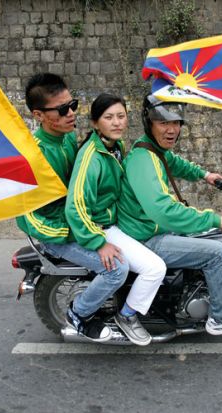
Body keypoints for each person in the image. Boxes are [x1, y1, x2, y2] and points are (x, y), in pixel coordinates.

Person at [116, 94, 222, 335]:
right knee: (217, 252)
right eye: (163, 123)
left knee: (208, 236)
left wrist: (205, 175)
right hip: (147, 236)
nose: (172, 130)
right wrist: (217, 219)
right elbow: (164, 211)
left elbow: (176, 162)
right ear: (148, 123)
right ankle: (221, 319)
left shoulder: (152, 149)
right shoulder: (142, 160)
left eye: (176, 123)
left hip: (151, 228)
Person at [16, 73, 115, 343]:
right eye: (62, 110)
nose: (71, 113)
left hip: (81, 221)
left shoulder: (69, 137)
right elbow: (28, 218)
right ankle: (79, 315)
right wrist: (77, 233)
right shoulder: (35, 157)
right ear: (38, 115)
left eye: (73, 104)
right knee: (116, 267)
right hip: (56, 234)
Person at [63, 93, 166, 346]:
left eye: (121, 116)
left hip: (116, 222)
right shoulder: (91, 158)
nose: (117, 122)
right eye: (109, 117)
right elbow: (75, 207)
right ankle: (102, 314)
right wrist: (99, 242)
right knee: (154, 268)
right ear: (96, 123)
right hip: (100, 228)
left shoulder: (114, 146)